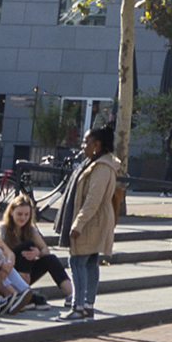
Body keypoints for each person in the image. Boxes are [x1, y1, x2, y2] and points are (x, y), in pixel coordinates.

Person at [66, 125, 124, 322]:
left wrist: (78, 224)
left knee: (77, 261)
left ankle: (79, 306)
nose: (83, 146)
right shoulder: (98, 163)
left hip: (93, 221)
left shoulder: (101, 167)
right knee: (90, 261)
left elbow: (93, 199)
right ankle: (88, 306)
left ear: (97, 145)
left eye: (86, 142)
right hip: (97, 219)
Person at [0, 195, 73, 305]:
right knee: (28, 244)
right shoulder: (2, 229)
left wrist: (38, 253)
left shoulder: (30, 229)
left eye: (26, 215)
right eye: (19, 214)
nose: (23, 218)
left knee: (50, 259)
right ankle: (23, 288)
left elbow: (45, 250)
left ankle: (72, 294)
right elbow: (1, 253)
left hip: (26, 272)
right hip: (9, 273)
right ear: (11, 212)